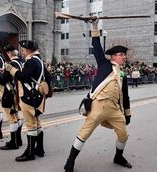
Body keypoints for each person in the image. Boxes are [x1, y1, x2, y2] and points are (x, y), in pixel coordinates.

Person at [64, 19, 132, 172]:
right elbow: (96, 47)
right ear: (113, 57)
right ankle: (70, 161)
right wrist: (95, 27)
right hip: (98, 106)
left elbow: (125, 96)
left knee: (123, 135)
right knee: (84, 133)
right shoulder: (104, 64)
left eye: (124, 55)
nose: (124, 57)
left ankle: (118, 156)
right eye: (121, 55)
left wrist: (127, 113)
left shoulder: (122, 74)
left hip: (115, 109)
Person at [5, 40, 47, 162]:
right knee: (37, 123)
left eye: (23, 50)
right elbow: (47, 77)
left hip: (29, 97)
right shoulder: (38, 60)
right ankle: (39, 148)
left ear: (28, 50)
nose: (22, 53)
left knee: (31, 125)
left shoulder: (31, 61)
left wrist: (11, 70)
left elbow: (23, 77)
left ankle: (30, 152)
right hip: (36, 97)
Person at [0, 45, 24, 150]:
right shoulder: (19, 62)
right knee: (17, 117)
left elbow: (4, 80)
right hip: (16, 93)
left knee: (12, 119)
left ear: (9, 53)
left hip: (9, 94)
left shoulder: (11, 63)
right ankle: (18, 139)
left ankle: (14, 142)